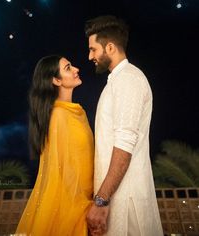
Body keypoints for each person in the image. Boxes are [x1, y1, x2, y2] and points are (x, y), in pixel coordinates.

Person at [85, 15, 163, 236]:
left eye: (93, 49)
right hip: (114, 199)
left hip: (126, 202)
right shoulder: (117, 82)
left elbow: (124, 146)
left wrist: (100, 201)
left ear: (109, 47)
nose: (90, 56)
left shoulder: (129, 79)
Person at [15, 55, 94, 236]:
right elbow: (64, 171)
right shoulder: (58, 116)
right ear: (56, 80)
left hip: (88, 201)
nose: (76, 69)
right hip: (73, 209)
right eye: (68, 68)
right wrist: (85, 206)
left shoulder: (76, 112)